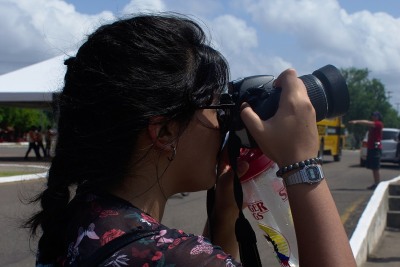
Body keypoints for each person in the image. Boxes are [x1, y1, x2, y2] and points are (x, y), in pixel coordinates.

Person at [25, 13, 356, 267]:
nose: (222, 121)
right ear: (165, 131)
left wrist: (224, 215)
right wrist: (301, 163)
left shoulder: (78, 222)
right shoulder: (176, 257)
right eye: (215, 106)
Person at [349, 111, 384, 190]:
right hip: (372, 147)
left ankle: (377, 183)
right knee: (373, 167)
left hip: (376, 148)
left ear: (378, 117)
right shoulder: (374, 124)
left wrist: (357, 121)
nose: (373, 117)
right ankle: (376, 183)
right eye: (373, 115)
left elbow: (367, 122)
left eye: (375, 115)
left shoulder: (378, 124)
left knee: (376, 167)